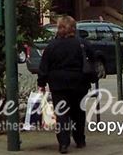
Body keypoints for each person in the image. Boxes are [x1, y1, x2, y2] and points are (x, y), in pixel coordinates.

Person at [37, 15, 97, 153]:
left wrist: (42, 83)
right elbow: (93, 59)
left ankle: (63, 143)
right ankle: (80, 139)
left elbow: (44, 67)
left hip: (58, 84)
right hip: (79, 83)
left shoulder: (51, 46)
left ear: (59, 29)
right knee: (78, 112)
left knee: (61, 113)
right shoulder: (82, 44)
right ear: (74, 28)